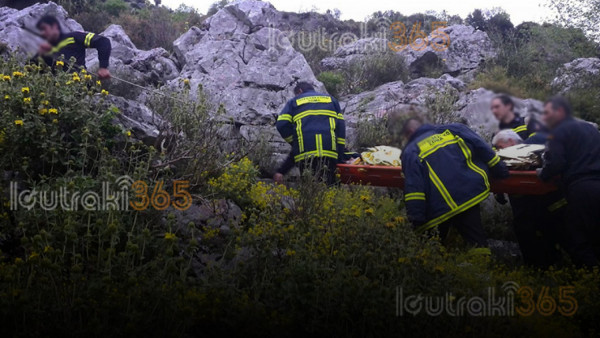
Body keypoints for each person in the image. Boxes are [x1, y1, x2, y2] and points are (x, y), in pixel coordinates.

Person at [402, 118, 509, 249]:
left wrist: (416, 219)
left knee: (432, 247)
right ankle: (482, 266)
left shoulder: (410, 151)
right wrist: (500, 171)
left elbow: (414, 188)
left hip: (439, 207)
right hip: (468, 195)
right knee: (477, 242)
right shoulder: (455, 129)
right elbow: (484, 149)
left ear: (410, 132)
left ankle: (437, 267)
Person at [538, 96, 600, 268]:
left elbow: (557, 163)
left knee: (578, 238)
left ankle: (589, 282)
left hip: (581, 188)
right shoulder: (591, 128)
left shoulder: (558, 131)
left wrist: (543, 173)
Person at [492, 130, 564, 268]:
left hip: (536, 209)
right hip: (537, 208)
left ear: (511, 142)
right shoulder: (533, 147)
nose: (499, 151)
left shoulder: (528, 149)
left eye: (500, 147)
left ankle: (541, 267)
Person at [275, 82, 345, 185]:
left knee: (310, 187)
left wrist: (295, 140)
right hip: (330, 152)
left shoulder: (294, 102)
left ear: (300, 91)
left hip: (305, 152)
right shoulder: (332, 100)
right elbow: (341, 130)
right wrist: (340, 156)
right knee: (331, 188)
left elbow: (281, 124)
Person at [35, 15, 111, 79]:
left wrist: (103, 67)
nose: (42, 33)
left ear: (54, 26)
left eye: (44, 29)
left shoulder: (73, 37)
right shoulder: (45, 49)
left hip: (80, 86)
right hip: (59, 92)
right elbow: (30, 71)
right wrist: (40, 56)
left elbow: (103, 42)